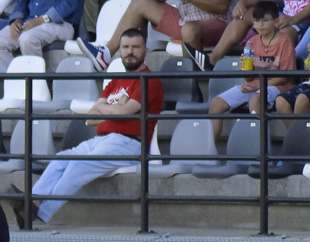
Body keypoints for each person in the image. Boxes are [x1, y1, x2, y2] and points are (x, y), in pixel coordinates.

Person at [18, 29, 163, 226]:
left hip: (129, 143)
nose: (130, 52)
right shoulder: (116, 81)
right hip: (101, 139)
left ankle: (39, 212)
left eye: (135, 47)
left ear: (145, 51)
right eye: (126, 47)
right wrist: (113, 108)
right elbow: (92, 117)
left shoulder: (149, 81)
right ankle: (30, 202)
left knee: (79, 164)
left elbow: (125, 112)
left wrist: (108, 109)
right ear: (119, 50)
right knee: (61, 160)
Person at [207, 1, 295, 138]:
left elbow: (284, 77)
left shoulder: (285, 41)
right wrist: (246, 69)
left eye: (264, 20)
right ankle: (209, 153)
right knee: (216, 104)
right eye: (256, 20)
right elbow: (249, 78)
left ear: (276, 21)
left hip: (279, 86)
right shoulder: (252, 42)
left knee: (256, 101)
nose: (259, 25)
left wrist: (257, 87)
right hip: (256, 85)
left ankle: (259, 150)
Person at [78, 0, 231, 71]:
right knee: (140, 3)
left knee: (189, 30)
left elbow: (222, 6)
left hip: (218, 24)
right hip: (185, 20)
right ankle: (105, 54)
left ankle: (195, 85)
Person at [0, 0, 81, 72]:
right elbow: (21, 3)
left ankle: (36, 88)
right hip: (30, 22)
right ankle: (15, 86)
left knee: (27, 38)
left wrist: (43, 19)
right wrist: (16, 20)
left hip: (61, 23)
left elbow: (72, 4)